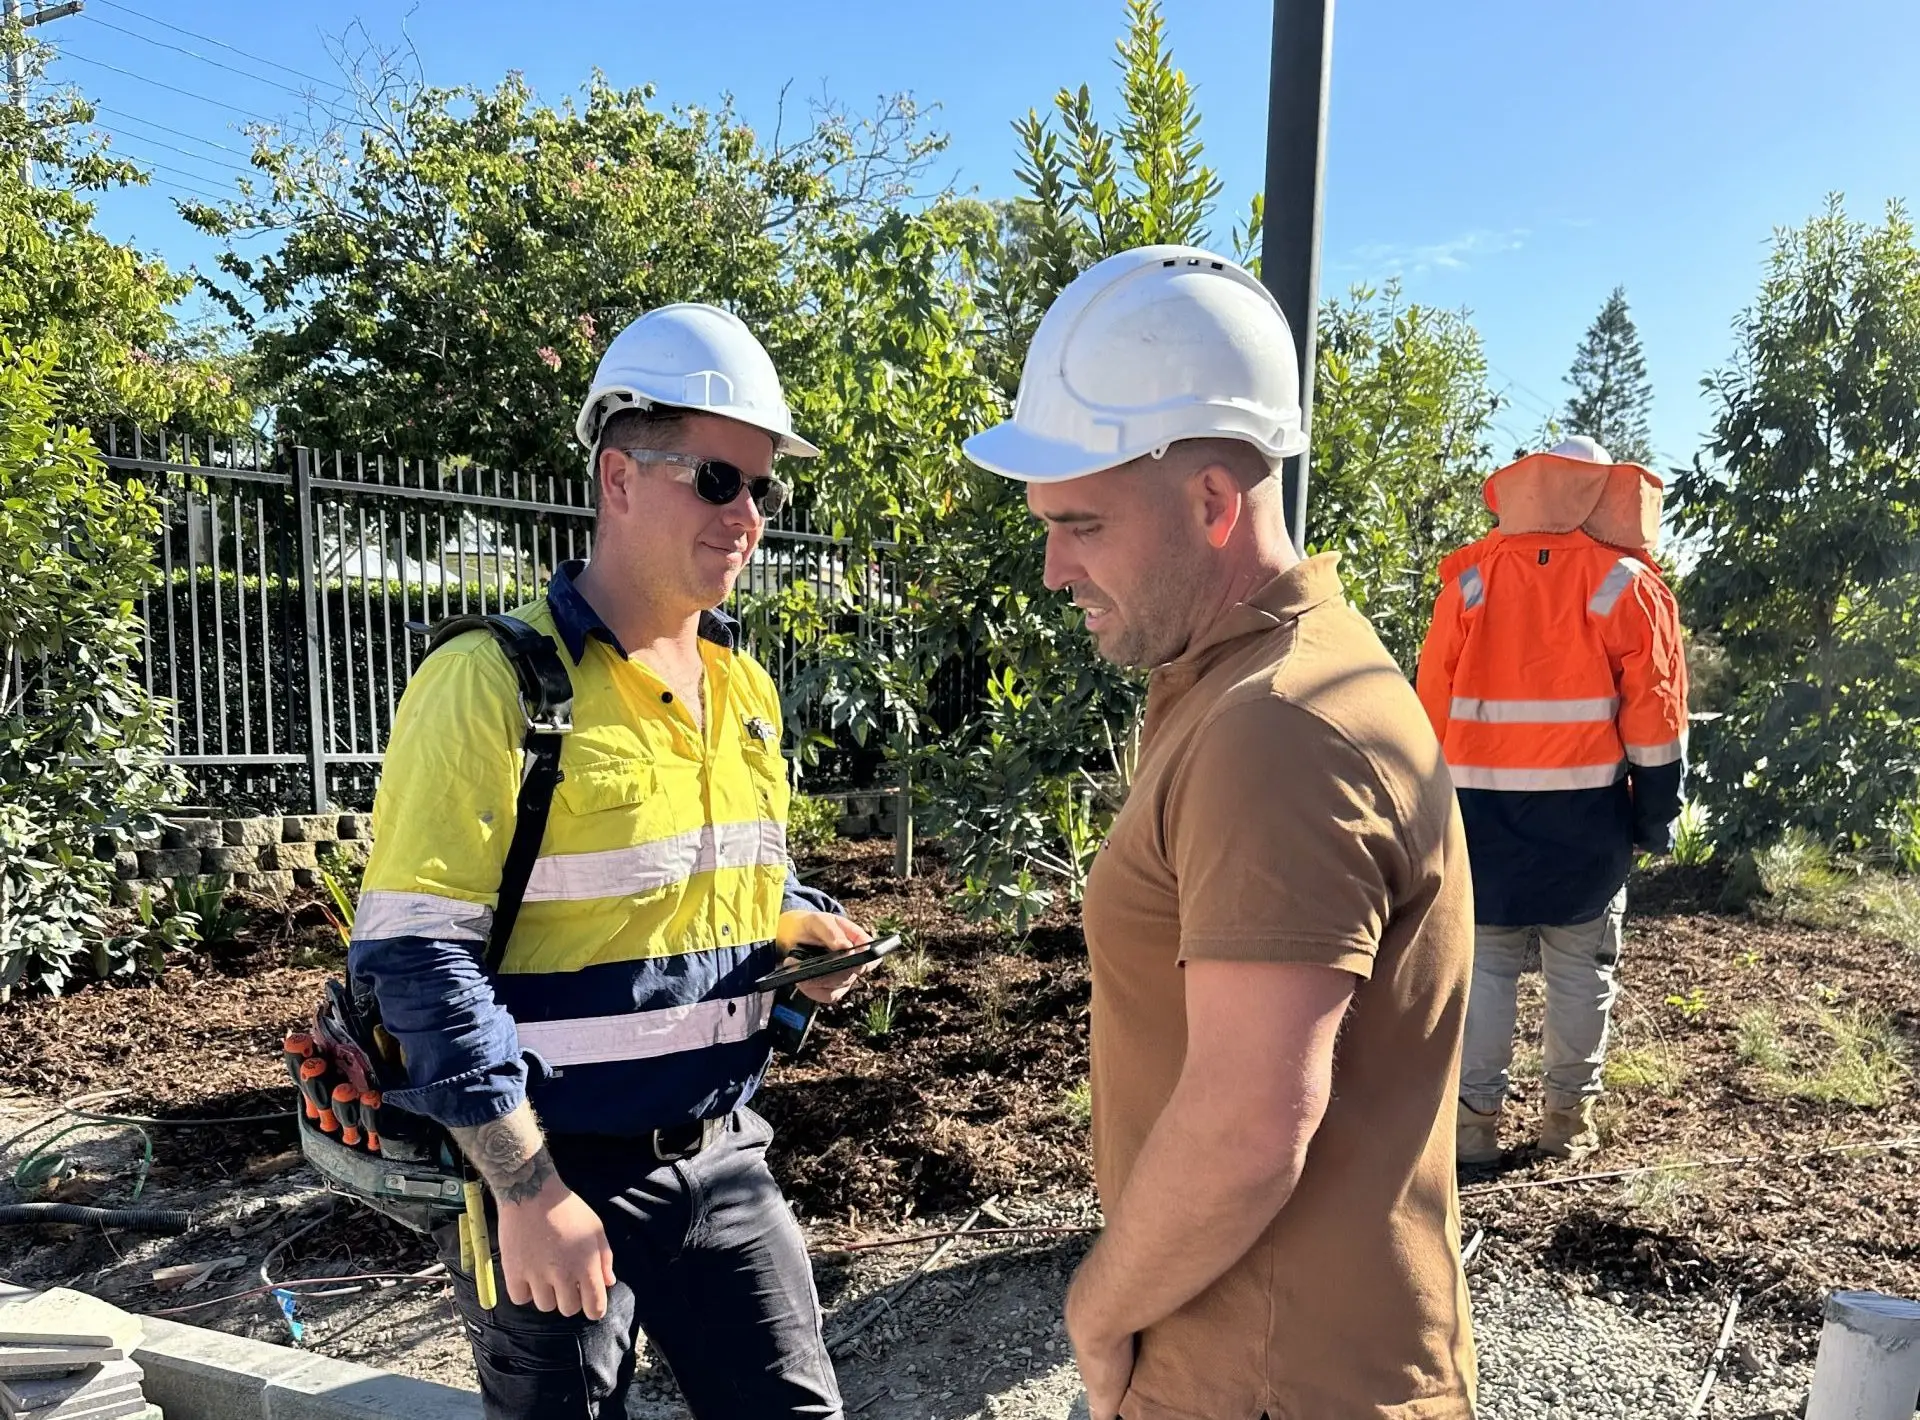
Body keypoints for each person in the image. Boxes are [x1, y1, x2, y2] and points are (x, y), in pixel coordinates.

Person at [964, 245, 1477, 1420]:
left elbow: (1251, 1124)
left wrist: (1094, 1314)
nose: (1052, 568)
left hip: (1269, 1384)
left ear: (1211, 499)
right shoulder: (1249, 684)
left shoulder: (1276, 728)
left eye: (1083, 522)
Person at [348, 303, 871, 1420]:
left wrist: (799, 931)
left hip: (725, 1152)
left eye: (764, 490)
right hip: (552, 1166)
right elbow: (415, 956)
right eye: (719, 481)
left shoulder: (749, 692)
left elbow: (718, 886)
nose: (749, 517)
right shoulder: (493, 685)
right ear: (620, 476)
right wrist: (527, 1190)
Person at [1416, 435, 1688, 1163]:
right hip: (1588, 816)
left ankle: (1473, 1129)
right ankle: (1567, 1123)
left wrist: (1428, 803)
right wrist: (1656, 813)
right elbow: (1656, 714)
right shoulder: (1628, 584)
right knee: (1581, 968)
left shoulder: (1469, 580)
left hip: (1479, 815)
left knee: (1489, 968)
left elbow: (1431, 704)